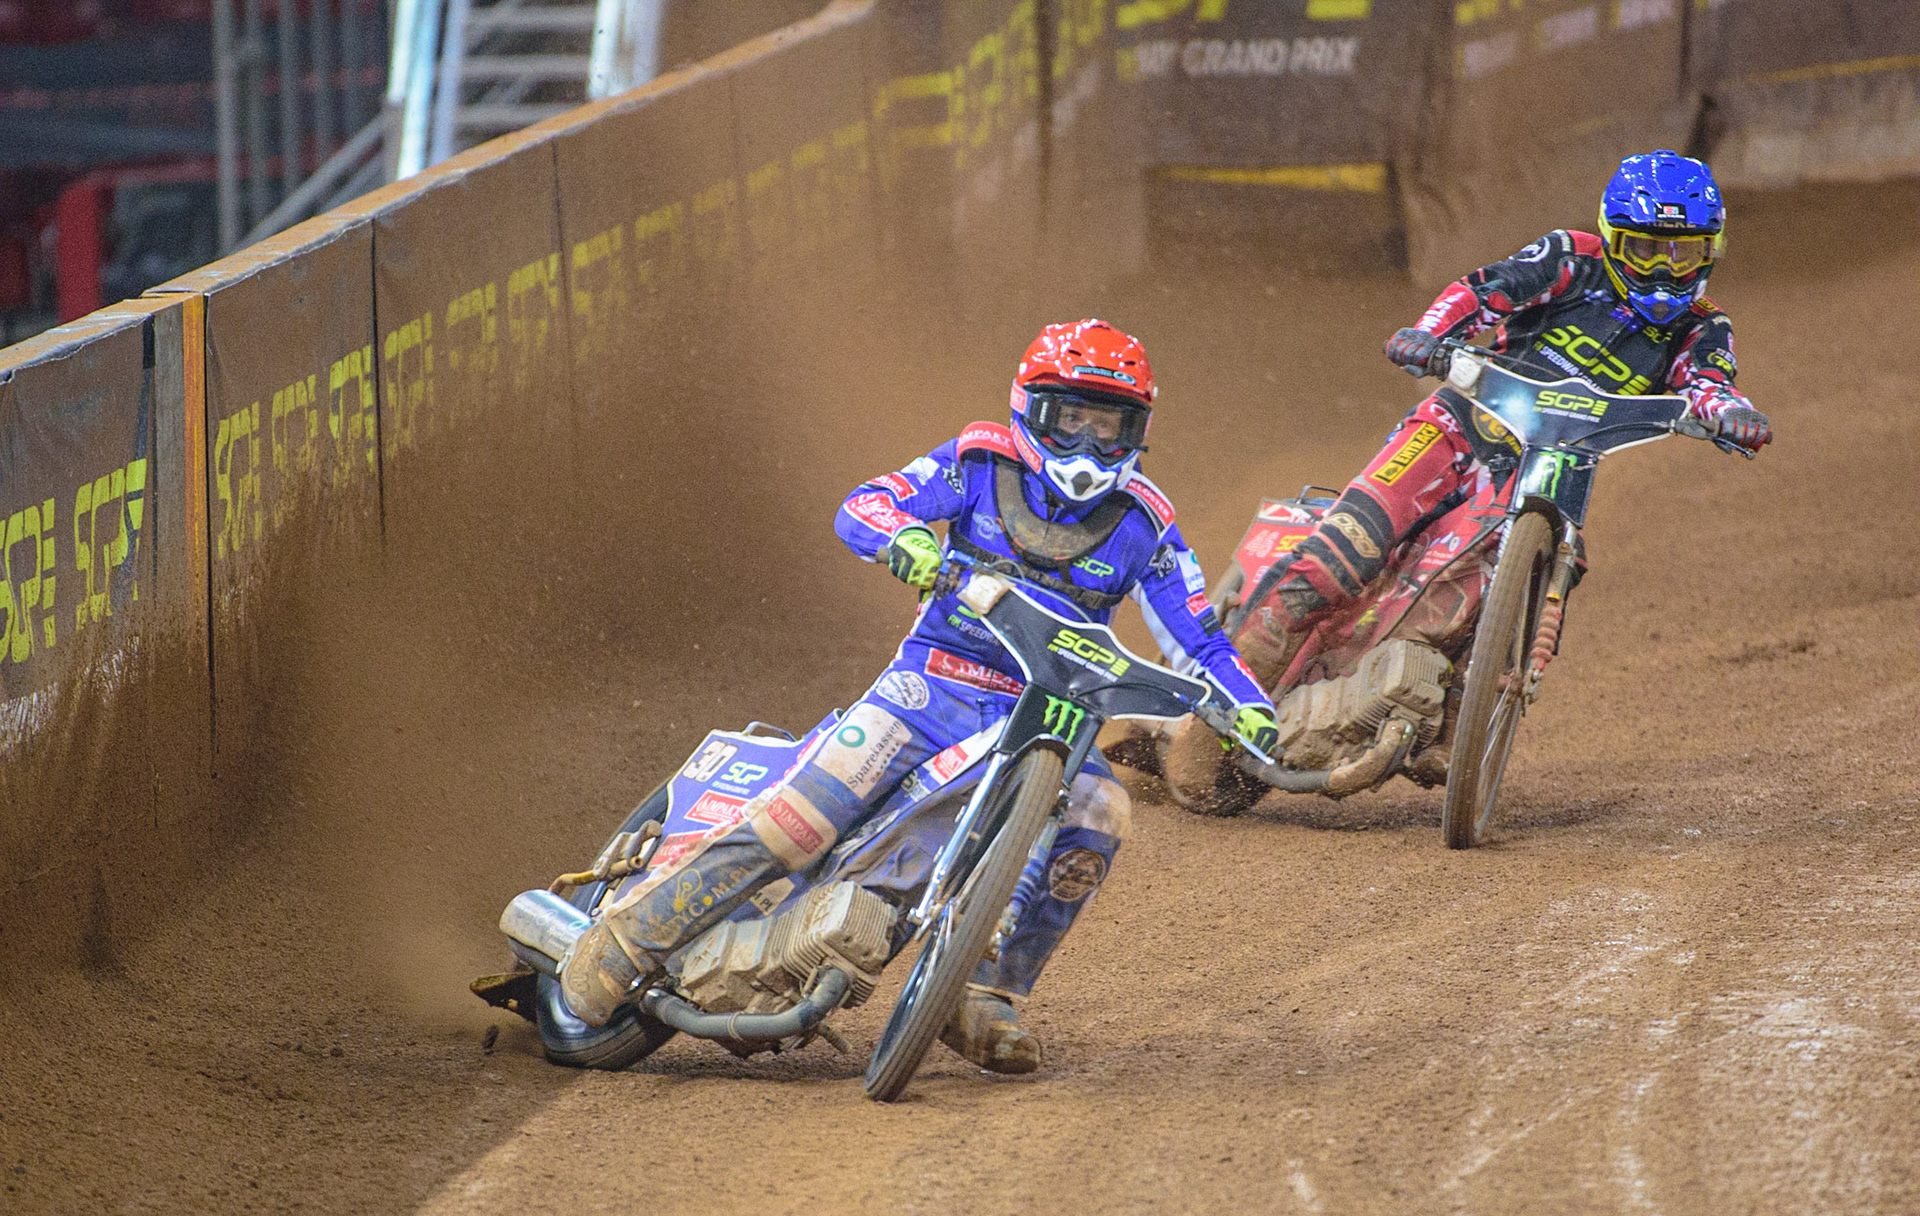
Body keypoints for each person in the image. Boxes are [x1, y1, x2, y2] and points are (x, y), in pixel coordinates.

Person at [558, 319, 1279, 1073]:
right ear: (1031, 409)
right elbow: (866, 503)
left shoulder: (1147, 524)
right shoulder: (975, 462)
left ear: (1138, 431)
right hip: (931, 680)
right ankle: (627, 937)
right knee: (804, 818)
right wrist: (905, 539)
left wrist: (1249, 704)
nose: (1090, 447)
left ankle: (985, 996)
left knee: (1103, 813)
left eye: (1110, 428)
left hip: (1046, 708)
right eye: (1072, 421)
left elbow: (1198, 637)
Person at [1249, 150, 1771, 677]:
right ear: (1613, 238)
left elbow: (1709, 384)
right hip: (1461, 425)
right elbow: (1484, 290)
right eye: (1648, 250)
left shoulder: (1705, 326)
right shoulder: (1570, 258)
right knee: (1343, 554)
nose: (1666, 270)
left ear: (1711, 252)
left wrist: (1731, 416)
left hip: (1549, 470)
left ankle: (1459, 715)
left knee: (1545, 569)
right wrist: (1429, 335)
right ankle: (1225, 691)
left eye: (1684, 255)